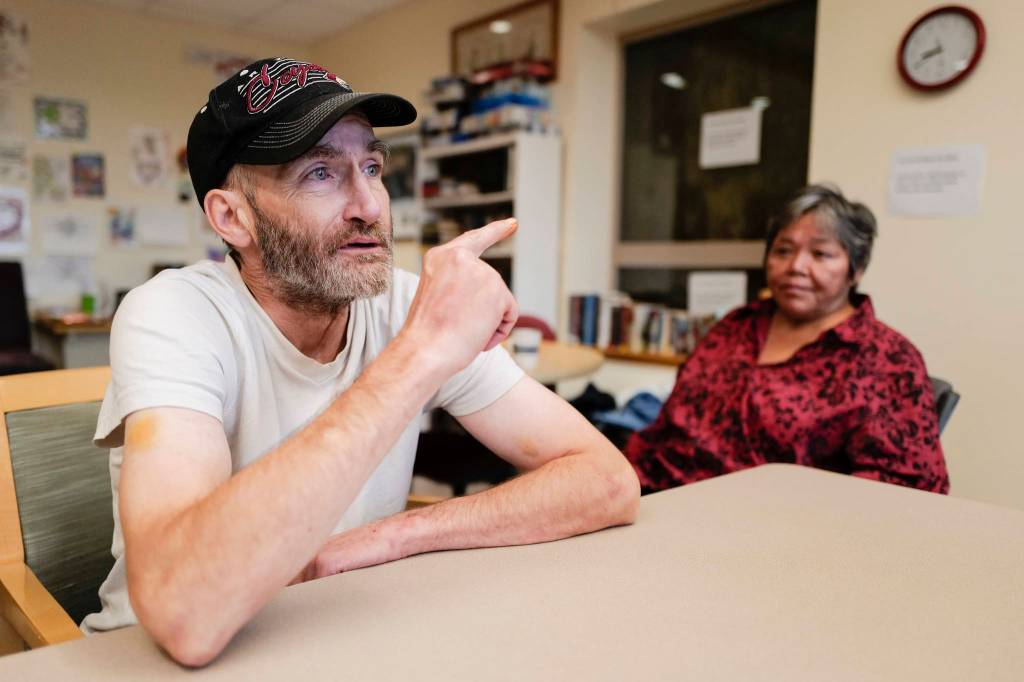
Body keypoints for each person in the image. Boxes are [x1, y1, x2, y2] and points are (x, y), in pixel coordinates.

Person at [83, 58, 639, 666]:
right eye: (320, 173)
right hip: (155, 662)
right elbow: (183, 614)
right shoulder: (174, 313)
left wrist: (390, 537)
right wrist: (419, 354)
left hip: (340, 637)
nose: (369, 205)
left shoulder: (404, 306)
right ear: (232, 217)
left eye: (372, 167)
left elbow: (606, 481)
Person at [625, 184, 949, 495]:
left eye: (820, 254)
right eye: (783, 250)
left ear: (857, 268)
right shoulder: (736, 326)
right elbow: (665, 427)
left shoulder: (886, 359)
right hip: (653, 495)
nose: (796, 266)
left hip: (761, 522)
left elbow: (906, 488)